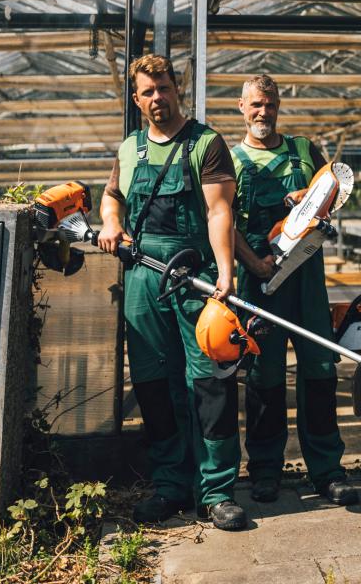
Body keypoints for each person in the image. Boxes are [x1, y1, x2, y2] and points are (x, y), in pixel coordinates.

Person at [97, 53, 248, 530]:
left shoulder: (206, 143)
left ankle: (217, 490)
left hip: (193, 274)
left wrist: (226, 272)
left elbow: (219, 212)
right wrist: (111, 223)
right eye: (147, 91)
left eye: (163, 87)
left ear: (176, 87)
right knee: (154, 383)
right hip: (143, 276)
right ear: (137, 99)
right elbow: (111, 196)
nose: (157, 97)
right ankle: (169, 484)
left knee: (209, 382)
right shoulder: (129, 149)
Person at [231, 74, 359, 507]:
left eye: (269, 104)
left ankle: (327, 470)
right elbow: (222, 222)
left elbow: (338, 196)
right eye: (254, 105)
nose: (262, 112)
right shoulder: (229, 160)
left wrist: (314, 199)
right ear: (241, 108)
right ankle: (266, 470)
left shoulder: (305, 151)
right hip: (259, 281)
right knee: (264, 378)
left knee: (319, 370)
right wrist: (254, 263)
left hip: (307, 279)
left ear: (278, 105)